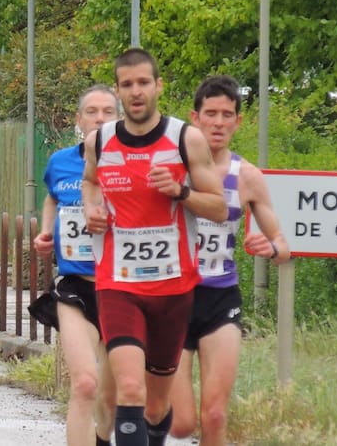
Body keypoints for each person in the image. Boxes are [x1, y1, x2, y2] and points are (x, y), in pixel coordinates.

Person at [81, 48, 227, 446]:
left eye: (143, 82)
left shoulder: (186, 139)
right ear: (118, 92)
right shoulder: (101, 142)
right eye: (127, 85)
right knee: (129, 388)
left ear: (158, 86)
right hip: (117, 283)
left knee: (157, 407)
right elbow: (91, 182)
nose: (136, 92)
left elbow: (218, 207)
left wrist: (181, 192)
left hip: (173, 288)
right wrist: (91, 207)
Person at [169, 75, 290, 446]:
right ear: (195, 118)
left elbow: (282, 246)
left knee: (216, 414)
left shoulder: (247, 177)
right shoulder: (173, 171)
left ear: (238, 121)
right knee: (182, 424)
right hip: (172, 298)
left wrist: (268, 248)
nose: (218, 122)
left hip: (220, 298)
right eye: (211, 114)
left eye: (227, 115)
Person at [29, 85, 120, 446]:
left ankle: (100, 439)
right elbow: (52, 198)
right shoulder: (60, 162)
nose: (99, 118)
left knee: (112, 397)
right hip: (75, 287)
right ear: (79, 120)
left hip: (121, 290)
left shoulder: (131, 163)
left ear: (120, 118)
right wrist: (45, 232)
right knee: (85, 384)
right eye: (92, 111)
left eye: (108, 112)